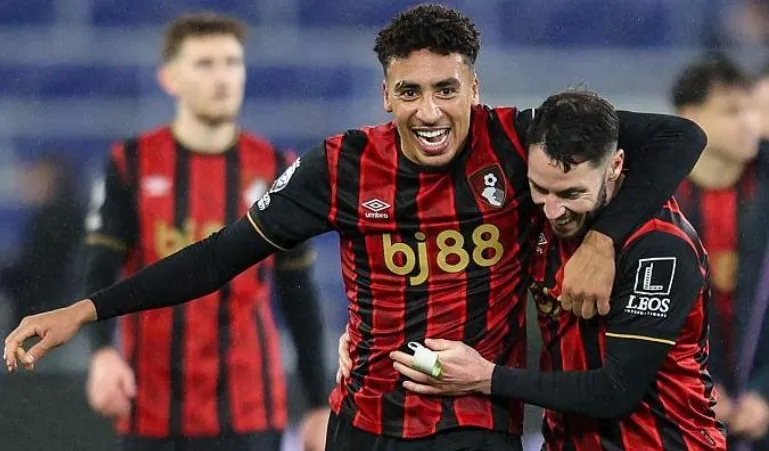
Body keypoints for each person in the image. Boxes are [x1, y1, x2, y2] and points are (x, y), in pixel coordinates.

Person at [5, 4, 706, 450]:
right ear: (385, 95)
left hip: (473, 420)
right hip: (365, 419)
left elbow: (678, 137)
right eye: (409, 91)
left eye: (446, 89)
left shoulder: (517, 137)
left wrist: (603, 239)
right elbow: (219, 256)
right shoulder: (340, 166)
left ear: (474, 89)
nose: (429, 111)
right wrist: (87, 309)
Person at [383, 91, 725, 450]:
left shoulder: (660, 247)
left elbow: (616, 390)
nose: (552, 210)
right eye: (540, 188)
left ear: (614, 166)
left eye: (571, 193)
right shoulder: (542, 220)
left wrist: (487, 378)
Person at [77, 13, 329, 451]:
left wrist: (317, 403)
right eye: (205, 64)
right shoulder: (131, 164)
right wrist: (101, 352)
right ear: (170, 78)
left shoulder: (275, 168)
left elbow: (299, 293)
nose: (223, 77)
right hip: (152, 409)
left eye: (232, 63)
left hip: (249, 410)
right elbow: (98, 267)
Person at [671, 55, 769, 448]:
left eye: (751, 109)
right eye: (732, 111)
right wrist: (695, 383)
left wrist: (764, 393)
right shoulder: (654, 198)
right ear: (691, 116)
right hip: (683, 403)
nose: (749, 122)